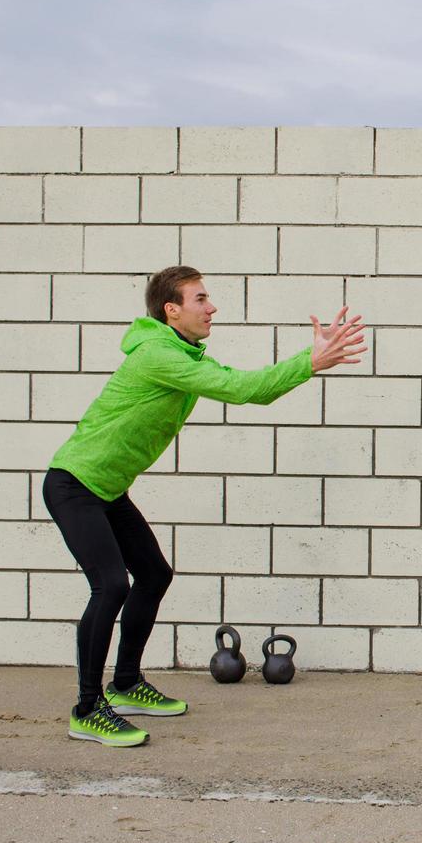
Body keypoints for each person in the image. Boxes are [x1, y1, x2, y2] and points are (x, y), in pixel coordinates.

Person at [44, 266, 366, 747]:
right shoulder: (158, 354)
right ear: (172, 310)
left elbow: (246, 384)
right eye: (200, 299)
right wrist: (311, 361)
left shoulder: (180, 353)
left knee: (153, 575)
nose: (211, 307)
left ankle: (127, 684)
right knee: (110, 586)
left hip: (106, 489)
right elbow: (243, 391)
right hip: (75, 484)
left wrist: (309, 358)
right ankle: (88, 708)